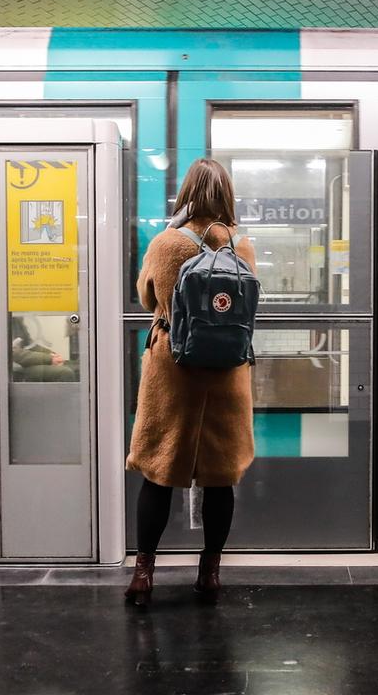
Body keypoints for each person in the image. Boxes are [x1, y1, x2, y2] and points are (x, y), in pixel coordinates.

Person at [125, 158, 257, 607]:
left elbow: (147, 298)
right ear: (227, 195)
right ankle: (210, 573)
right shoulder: (242, 244)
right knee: (220, 479)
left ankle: (144, 574)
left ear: (186, 194)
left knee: (158, 473)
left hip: (173, 370)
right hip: (228, 373)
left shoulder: (167, 243)